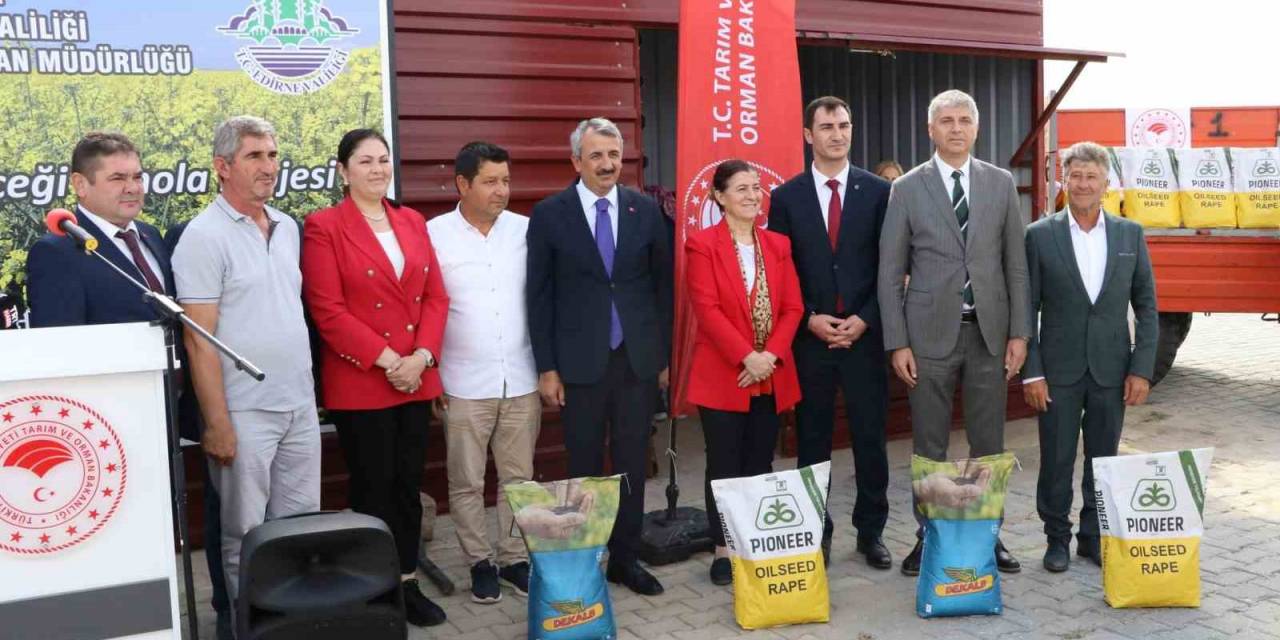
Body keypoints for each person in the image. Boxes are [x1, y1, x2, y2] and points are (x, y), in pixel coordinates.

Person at [877, 89, 1031, 576]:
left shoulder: (1001, 183)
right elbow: (888, 271)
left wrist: (1020, 333)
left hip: (989, 334)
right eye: (946, 120)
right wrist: (897, 341)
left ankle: (988, 536)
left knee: (988, 444)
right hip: (927, 339)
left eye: (965, 120)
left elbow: (1016, 265)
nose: (956, 128)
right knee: (931, 446)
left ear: (977, 128)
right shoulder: (906, 188)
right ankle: (929, 537)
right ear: (931, 129)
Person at [172, 116, 322, 612]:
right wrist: (216, 423)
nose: (269, 166)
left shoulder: (287, 227)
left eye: (273, 154)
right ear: (222, 166)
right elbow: (199, 341)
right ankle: (249, 625)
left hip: (299, 406)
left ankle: (293, 622)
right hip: (244, 413)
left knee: (299, 529)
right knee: (246, 537)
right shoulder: (203, 236)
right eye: (255, 156)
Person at [300, 129, 449, 626]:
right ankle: (371, 590)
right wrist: (391, 361)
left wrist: (423, 355)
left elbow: (435, 297)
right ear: (343, 171)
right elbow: (328, 310)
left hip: (414, 375)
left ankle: (406, 582)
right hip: (364, 380)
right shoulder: (324, 227)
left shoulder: (411, 220)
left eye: (384, 160)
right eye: (366, 161)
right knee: (372, 489)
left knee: (408, 485)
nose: (378, 169)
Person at [526, 117, 673, 596]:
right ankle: (584, 561)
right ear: (576, 161)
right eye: (596, 155)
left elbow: (661, 288)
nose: (608, 164)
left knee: (632, 462)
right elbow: (539, 296)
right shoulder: (550, 214)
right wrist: (547, 367)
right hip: (578, 365)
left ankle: (625, 560)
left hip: (635, 361)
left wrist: (663, 356)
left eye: (614, 154)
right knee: (584, 465)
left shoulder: (644, 210)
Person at [768, 96, 893, 570]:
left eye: (844, 124)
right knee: (813, 441)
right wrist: (810, 318)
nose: (837, 134)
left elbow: (890, 265)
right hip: (811, 340)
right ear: (808, 135)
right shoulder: (786, 198)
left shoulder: (878, 192)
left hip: (864, 336)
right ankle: (814, 531)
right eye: (826, 126)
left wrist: (866, 317)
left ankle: (872, 532)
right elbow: (783, 271)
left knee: (869, 439)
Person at [1023, 141, 1158, 572]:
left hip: (1111, 370)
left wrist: (1141, 369)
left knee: (1103, 458)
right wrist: (1032, 373)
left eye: (1091, 177)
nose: (1083, 184)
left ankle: (1093, 537)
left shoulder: (1129, 235)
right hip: (1058, 372)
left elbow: (1147, 306)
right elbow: (1027, 308)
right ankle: (1056, 539)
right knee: (1057, 458)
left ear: (1106, 183)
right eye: (1075, 176)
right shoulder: (1039, 236)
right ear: (1064, 181)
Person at [427, 141, 538, 604]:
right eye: (491, 182)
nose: (502, 191)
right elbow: (425, 306)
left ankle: (513, 558)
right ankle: (478, 561)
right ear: (463, 184)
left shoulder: (527, 231)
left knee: (519, 477)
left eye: (506, 181)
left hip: (521, 376)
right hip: (462, 381)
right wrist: (432, 374)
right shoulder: (434, 234)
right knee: (466, 481)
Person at [686, 160, 804, 585]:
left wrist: (768, 357)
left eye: (757, 187)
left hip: (770, 372)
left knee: (759, 459)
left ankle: (754, 540)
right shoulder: (702, 245)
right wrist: (746, 358)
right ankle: (722, 548)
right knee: (723, 462)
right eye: (742, 189)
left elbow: (793, 308)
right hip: (724, 372)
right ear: (719, 196)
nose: (754, 195)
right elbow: (707, 310)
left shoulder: (778, 244)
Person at [27, 132, 174, 327]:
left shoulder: (151, 234)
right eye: (117, 179)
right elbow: (59, 346)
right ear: (80, 185)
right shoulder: (56, 252)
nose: (132, 188)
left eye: (138, 177)